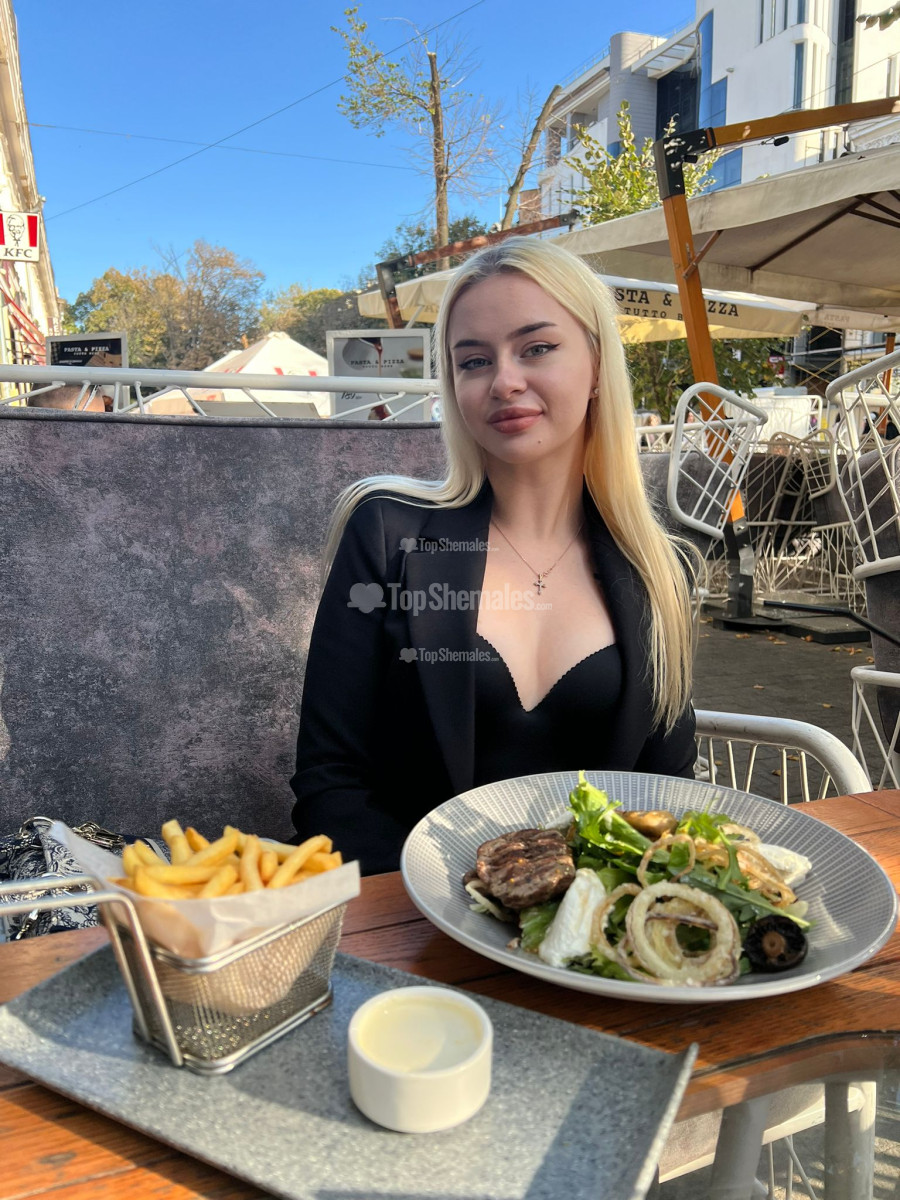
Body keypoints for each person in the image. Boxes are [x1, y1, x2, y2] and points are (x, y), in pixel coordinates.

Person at [290, 237, 698, 874]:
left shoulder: (659, 569)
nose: (505, 381)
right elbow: (330, 781)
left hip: (587, 926)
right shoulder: (386, 534)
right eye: (474, 361)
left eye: (536, 348)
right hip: (409, 907)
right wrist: (456, 904)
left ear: (597, 365)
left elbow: (668, 793)